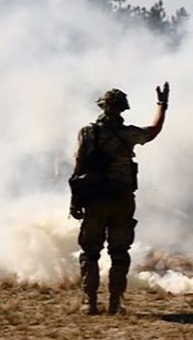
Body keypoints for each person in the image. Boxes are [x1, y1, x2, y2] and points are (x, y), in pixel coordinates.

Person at [69, 83, 169, 315]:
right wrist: (162, 105)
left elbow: (79, 165)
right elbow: (154, 130)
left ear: (103, 107)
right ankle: (115, 303)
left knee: (90, 252)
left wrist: (75, 200)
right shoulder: (128, 134)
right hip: (122, 198)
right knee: (119, 252)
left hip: (94, 197)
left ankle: (89, 302)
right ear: (123, 109)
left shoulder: (88, 133)